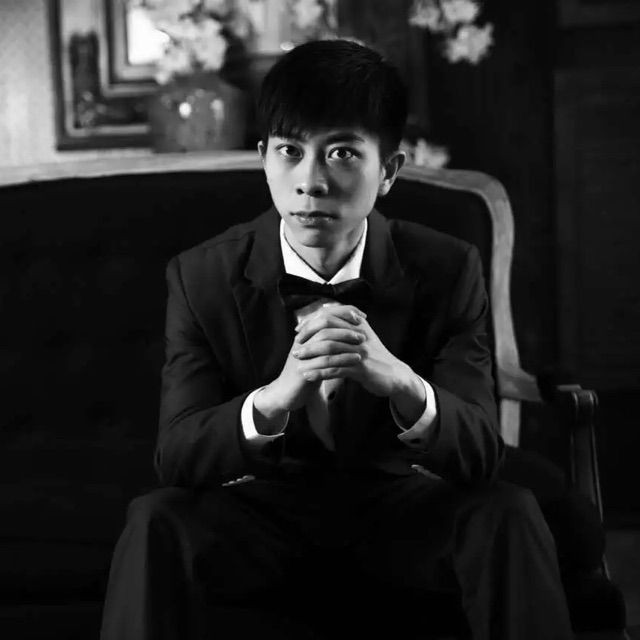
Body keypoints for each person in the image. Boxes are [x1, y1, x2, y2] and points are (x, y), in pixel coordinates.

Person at [100, 39, 574, 640]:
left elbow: (481, 451)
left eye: (342, 153)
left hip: (400, 512)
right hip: (265, 514)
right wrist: (274, 399)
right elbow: (177, 456)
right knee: (155, 521)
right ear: (263, 158)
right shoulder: (201, 276)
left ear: (389, 171)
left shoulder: (448, 267)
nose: (311, 182)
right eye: (290, 151)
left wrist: (403, 384)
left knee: (508, 512)